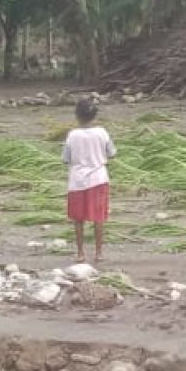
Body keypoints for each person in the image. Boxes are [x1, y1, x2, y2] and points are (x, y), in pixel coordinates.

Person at [62, 97, 116, 263]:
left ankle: (80, 253)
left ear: (77, 115)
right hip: (99, 178)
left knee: (78, 219)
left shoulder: (72, 135)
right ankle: (99, 253)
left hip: (77, 181)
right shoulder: (102, 132)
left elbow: (65, 158)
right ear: (94, 116)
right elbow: (112, 153)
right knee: (98, 217)